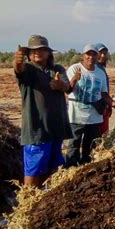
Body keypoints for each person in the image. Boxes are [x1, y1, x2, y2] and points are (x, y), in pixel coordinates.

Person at [13, 35, 72, 187]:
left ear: (48, 52)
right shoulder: (29, 70)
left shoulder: (57, 69)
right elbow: (19, 70)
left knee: (54, 170)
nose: (37, 52)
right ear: (28, 54)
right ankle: (29, 202)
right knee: (33, 171)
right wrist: (17, 62)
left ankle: (46, 203)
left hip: (56, 128)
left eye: (41, 49)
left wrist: (60, 85)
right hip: (36, 131)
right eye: (33, 50)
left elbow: (68, 87)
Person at [65, 44, 114, 167]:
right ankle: (70, 170)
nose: (91, 57)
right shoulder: (74, 69)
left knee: (91, 146)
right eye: (88, 54)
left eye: (94, 54)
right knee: (73, 146)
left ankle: (86, 169)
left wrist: (113, 104)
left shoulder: (100, 73)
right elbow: (67, 90)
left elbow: (104, 94)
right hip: (76, 116)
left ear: (98, 57)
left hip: (94, 117)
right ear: (83, 56)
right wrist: (75, 79)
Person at [94, 43, 113, 135]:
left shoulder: (101, 68)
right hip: (97, 106)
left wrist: (109, 104)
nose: (102, 55)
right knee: (97, 133)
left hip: (104, 105)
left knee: (103, 132)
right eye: (100, 53)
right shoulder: (94, 68)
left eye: (104, 53)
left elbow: (105, 89)